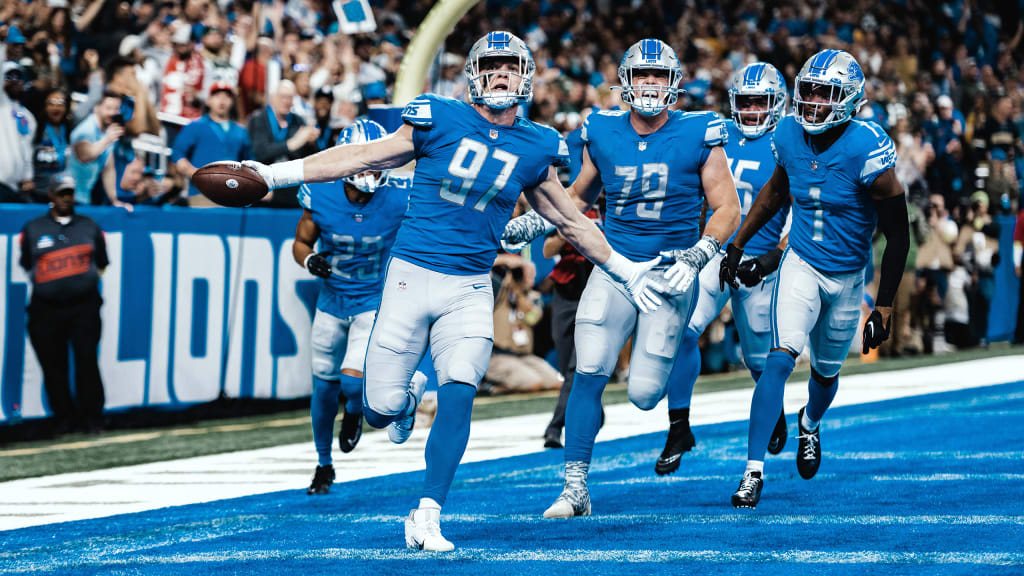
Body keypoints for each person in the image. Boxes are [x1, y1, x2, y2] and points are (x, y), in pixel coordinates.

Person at [238, 31, 662, 551]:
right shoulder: (438, 116)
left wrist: (625, 268)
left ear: (525, 76)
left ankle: (429, 512)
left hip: (470, 284)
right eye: (492, 67)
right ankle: (410, 397)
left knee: (461, 390)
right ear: (475, 76)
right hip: (410, 276)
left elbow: (571, 220)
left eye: (510, 67)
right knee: (379, 409)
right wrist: (274, 174)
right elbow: (362, 156)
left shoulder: (535, 143)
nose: (501, 75)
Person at [502, 39, 740, 519]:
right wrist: (539, 220)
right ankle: (575, 487)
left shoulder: (700, 131)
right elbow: (577, 195)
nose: (650, 84)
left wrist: (698, 256)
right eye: (642, 75)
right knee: (588, 370)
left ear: (673, 82)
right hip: (615, 266)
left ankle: (669, 416)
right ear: (625, 81)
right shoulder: (602, 130)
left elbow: (727, 207)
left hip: (671, 271)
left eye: (658, 75)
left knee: (644, 394)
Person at [720, 49, 909, 508]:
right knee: (779, 359)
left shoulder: (867, 147)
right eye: (808, 91)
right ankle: (752, 472)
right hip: (801, 263)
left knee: (826, 374)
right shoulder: (787, 133)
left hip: (847, 275)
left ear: (848, 99)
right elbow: (775, 192)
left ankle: (809, 424)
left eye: (825, 93)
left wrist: (882, 306)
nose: (813, 102)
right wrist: (739, 243)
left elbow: (899, 234)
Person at [658, 62, 792, 476]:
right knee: (681, 329)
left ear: (778, 104)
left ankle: (775, 409)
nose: (752, 110)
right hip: (715, 252)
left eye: (760, 101)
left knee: (759, 360)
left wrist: (770, 261)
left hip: (760, 260)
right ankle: (679, 426)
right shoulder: (717, 134)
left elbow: (799, 218)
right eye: (746, 101)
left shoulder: (789, 142)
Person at [292, 119, 419, 495]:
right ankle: (323, 463)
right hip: (332, 298)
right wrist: (309, 261)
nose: (366, 170)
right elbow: (301, 242)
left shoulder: (400, 193)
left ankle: (355, 410)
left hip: (373, 298)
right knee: (323, 387)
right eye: (360, 161)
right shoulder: (320, 191)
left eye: (373, 161)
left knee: (351, 383)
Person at [19, 176, 109, 435]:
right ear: (51, 195)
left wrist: (80, 283)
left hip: (83, 306)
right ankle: (64, 417)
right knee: (53, 364)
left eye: (70, 192)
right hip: (46, 307)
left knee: (86, 361)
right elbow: (27, 264)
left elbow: (102, 262)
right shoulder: (34, 228)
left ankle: (91, 417)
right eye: (61, 193)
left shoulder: (88, 226)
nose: (66, 198)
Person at [172, 83, 250, 206]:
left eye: (227, 97)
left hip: (232, 195)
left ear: (232, 102)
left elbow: (249, 162)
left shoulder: (241, 131)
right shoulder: (196, 126)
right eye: (217, 96)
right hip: (201, 194)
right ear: (208, 101)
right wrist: (199, 175)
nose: (222, 100)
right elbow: (177, 153)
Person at [247, 79, 319, 207]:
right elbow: (261, 153)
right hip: (264, 181)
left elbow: (307, 158)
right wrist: (292, 143)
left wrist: (311, 142)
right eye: (283, 97)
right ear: (273, 97)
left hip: (289, 184)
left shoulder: (298, 120)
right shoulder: (258, 119)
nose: (286, 101)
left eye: (290, 98)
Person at [67, 90, 132, 210]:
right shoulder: (86, 130)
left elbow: (108, 168)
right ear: (97, 107)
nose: (113, 113)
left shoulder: (107, 132)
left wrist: (114, 200)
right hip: (67, 199)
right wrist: (107, 140)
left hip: (85, 198)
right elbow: (84, 156)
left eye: (116, 108)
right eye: (108, 108)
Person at [1, 60, 36, 202]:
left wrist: (28, 176)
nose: (15, 81)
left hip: (18, 187)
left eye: (18, 77)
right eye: (9, 77)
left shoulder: (27, 116)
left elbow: (27, 148)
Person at [31, 90, 72, 201]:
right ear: (45, 107)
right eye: (51, 103)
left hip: (65, 193)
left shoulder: (71, 130)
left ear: (66, 108)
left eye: (60, 103)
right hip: (38, 192)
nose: (56, 107)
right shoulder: (35, 128)